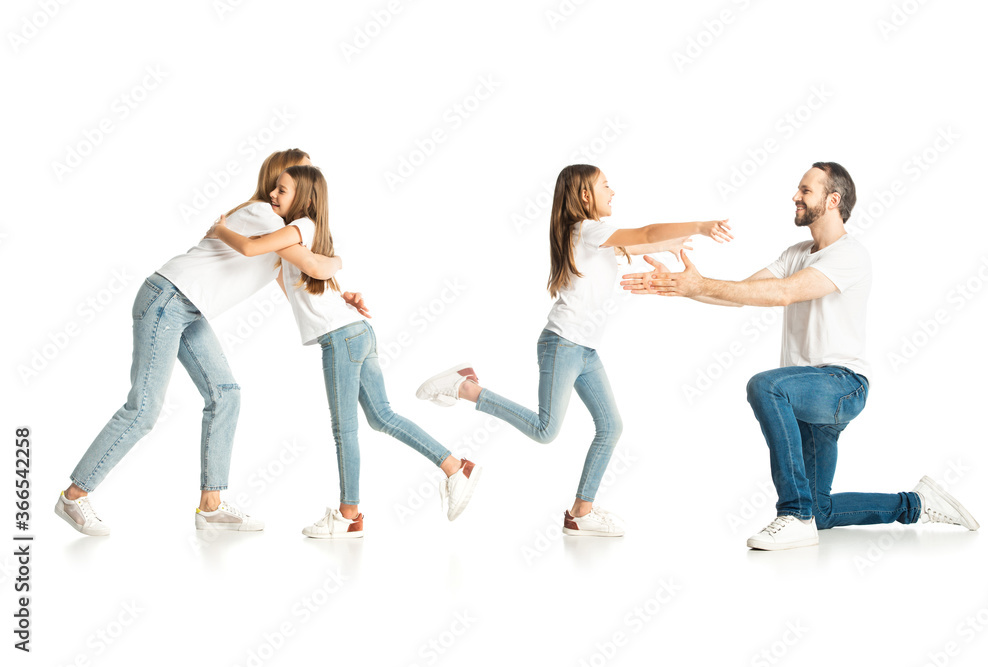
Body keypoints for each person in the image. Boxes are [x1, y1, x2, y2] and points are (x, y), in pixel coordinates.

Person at [621, 161, 979, 550]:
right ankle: (918, 504)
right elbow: (743, 293)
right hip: (805, 393)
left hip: (841, 385)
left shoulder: (851, 255)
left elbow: (783, 293)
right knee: (821, 511)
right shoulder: (796, 252)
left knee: (765, 387)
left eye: (805, 191)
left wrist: (699, 284)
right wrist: (683, 286)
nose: (795, 196)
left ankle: (793, 514)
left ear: (833, 200)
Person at [416, 164, 731, 536]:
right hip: (562, 344)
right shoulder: (587, 229)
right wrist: (698, 226)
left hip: (584, 351)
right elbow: (644, 232)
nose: (613, 192)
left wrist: (671, 245)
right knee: (545, 430)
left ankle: (581, 512)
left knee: (611, 426)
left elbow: (639, 242)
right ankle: (465, 386)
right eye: (606, 185)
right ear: (585, 195)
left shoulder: (592, 235)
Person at [55, 149, 350, 536]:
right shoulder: (262, 215)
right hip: (169, 297)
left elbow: (300, 285)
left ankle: (211, 507)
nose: (293, 182)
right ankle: (74, 496)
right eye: (292, 175)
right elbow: (314, 265)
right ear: (278, 178)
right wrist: (336, 261)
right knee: (144, 408)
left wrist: (344, 300)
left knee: (225, 394)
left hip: (187, 308)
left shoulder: (278, 239)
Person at [209, 165, 480, 538]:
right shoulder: (299, 233)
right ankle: (455, 467)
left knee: (345, 429)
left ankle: (349, 515)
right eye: (274, 189)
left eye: (282, 190)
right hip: (352, 329)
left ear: (302, 198)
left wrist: (219, 228)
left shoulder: (296, 227)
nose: (273, 195)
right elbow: (292, 279)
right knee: (382, 416)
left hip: (340, 337)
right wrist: (339, 292)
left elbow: (252, 246)